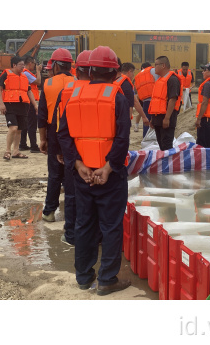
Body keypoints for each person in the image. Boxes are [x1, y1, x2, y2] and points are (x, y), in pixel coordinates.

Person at [57, 45, 131, 295]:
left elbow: (64, 135)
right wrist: (109, 168)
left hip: (83, 175)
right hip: (109, 176)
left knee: (84, 224)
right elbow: (122, 138)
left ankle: (83, 277)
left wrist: (78, 165)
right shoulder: (117, 96)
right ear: (114, 72)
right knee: (110, 226)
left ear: (88, 70)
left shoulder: (74, 96)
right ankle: (108, 279)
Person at [53, 50, 92, 246]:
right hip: (99, 155)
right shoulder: (110, 91)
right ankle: (97, 237)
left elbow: (59, 125)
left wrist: (59, 150)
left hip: (73, 153)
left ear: (77, 70)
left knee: (72, 195)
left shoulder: (67, 91)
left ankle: (71, 235)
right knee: (97, 197)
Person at [38, 48, 75, 222]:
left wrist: (43, 139)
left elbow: (42, 115)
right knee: (71, 172)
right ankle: (71, 214)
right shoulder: (77, 82)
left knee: (54, 173)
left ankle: (49, 212)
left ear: (57, 65)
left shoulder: (48, 84)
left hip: (54, 131)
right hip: (73, 131)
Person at [0, 56, 37, 160]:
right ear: (14, 65)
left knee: (19, 129)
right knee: (13, 128)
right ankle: (7, 151)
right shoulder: (6, 75)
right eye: (20, 65)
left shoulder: (24, 77)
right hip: (10, 105)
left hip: (22, 105)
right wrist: (1, 104)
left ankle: (16, 151)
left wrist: (35, 105)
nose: (23, 67)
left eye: (23, 65)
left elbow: (29, 91)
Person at [148, 56, 182, 151]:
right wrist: (153, 119)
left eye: (156, 65)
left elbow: (172, 99)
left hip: (166, 119)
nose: (154, 67)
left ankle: (169, 165)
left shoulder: (172, 80)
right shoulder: (160, 80)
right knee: (161, 146)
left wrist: (167, 118)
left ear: (163, 65)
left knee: (166, 146)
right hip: (157, 119)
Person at [114, 62, 149, 130]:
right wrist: (144, 117)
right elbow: (134, 102)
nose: (133, 75)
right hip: (123, 120)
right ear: (129, 72)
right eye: (133, 73)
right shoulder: (126, 84)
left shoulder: (115, 81)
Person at [19, 56, 42, 153]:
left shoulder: (23, 72)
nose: (34, 65)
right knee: (32, 124)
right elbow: (38, 82)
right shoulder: (26, 73)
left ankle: (23, 144)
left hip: (25, 101)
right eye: (34, 64)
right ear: (30, 63)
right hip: (30, 101)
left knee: (25, 123)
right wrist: (39, 71)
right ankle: (34, 146)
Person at [134, 62, 158, 137]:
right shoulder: (154, 70)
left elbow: (136, 89)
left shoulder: (138, 76)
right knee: (156, 121)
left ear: (142, 68)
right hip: (156, 100)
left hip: (145, 101)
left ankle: (146, 138)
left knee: (146, 121)